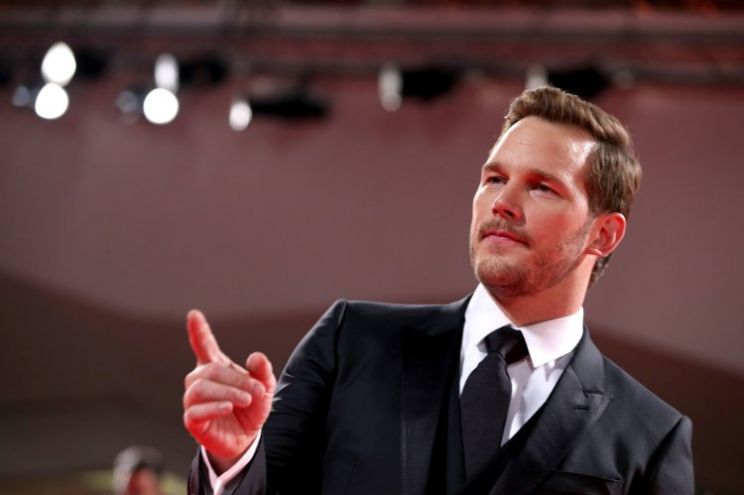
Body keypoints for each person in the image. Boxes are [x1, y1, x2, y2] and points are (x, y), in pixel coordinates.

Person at [182, 86, 694, 494]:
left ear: (604, 234)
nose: (503, 203)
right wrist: (232, 459)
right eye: (494, 179)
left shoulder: (651, 436)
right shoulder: (350, 341)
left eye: (542, 187)